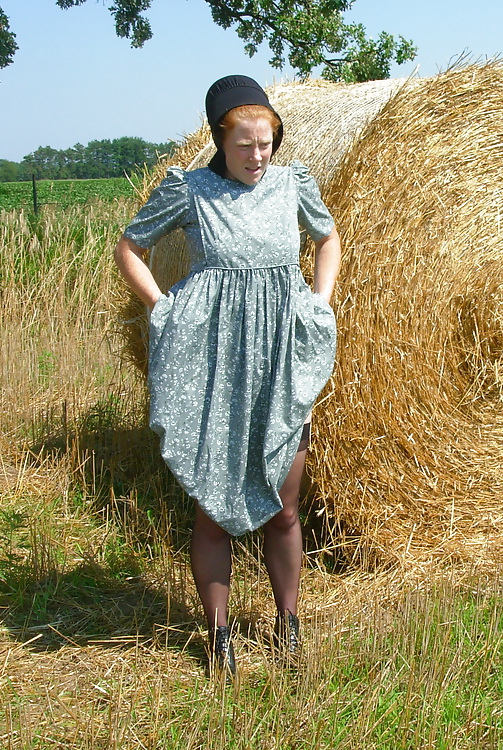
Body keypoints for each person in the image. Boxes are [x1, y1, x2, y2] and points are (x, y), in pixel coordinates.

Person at [114, 74, 341, 677]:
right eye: (244, 145)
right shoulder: (190, 191)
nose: (257, 156)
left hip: (280, 356)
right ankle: (218, 635)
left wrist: (318, 301)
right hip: (212, 362)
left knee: (284, 505)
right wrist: (162, 307)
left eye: (266, 143)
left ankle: (287, 622)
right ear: (220, 139)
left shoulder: (293, 183)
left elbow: (327, 238)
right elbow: (129, 247)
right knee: (212, 510)